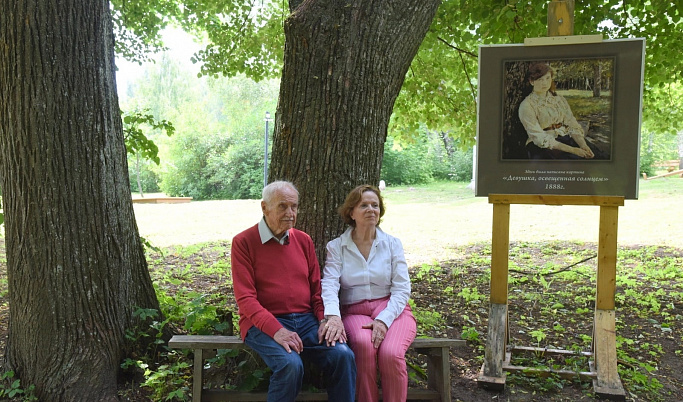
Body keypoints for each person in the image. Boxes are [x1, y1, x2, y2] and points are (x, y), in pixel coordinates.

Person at [231, 181, 356, 402]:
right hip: (262, 323)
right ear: (264, 207)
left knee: (343, 355)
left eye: (294, 207)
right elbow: (246, 300)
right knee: (290, 365)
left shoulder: (303, 240)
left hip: (306, 320)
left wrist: (323, 320)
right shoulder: (243, 242)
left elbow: (317, 291)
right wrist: (277, 330)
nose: (290, 213)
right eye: (282, 206)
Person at [321, 184, 416, 402]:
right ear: (351, 213)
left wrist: (383, 320)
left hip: (392, 308)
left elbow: (402, 288)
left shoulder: (392, 244)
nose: (371, 209)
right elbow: (329, 284)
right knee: (364, 348)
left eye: (375, 205)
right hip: (354, 311)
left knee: (391, 354)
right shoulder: (337, 247)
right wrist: (333, 316)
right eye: (364, 205)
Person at [518, 62, 607, 160]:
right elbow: (539, 137)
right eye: (540, 79)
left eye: (547, 78)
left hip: (565, 137)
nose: (545, 83)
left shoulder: (559, 99)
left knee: (599, 156)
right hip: (543, 145)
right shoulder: (527, 105)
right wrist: (574, 150)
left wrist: (583, 145)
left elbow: (572, 123)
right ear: (532, 81)